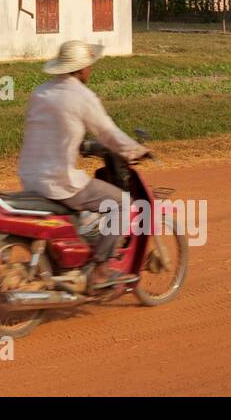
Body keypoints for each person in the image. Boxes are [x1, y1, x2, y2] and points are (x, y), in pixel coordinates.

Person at [17, 39, 148, 288]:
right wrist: (136, 151)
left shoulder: (40, 92)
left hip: (30, 177)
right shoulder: (81, 96)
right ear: (81, 68)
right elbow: (108, 134)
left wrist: (81, 145)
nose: (91, 70)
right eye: (89, 65)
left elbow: (52, 130)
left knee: (83, 210)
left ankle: (70, 263)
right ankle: (101, 269)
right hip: (59, 181)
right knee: (122, 203)